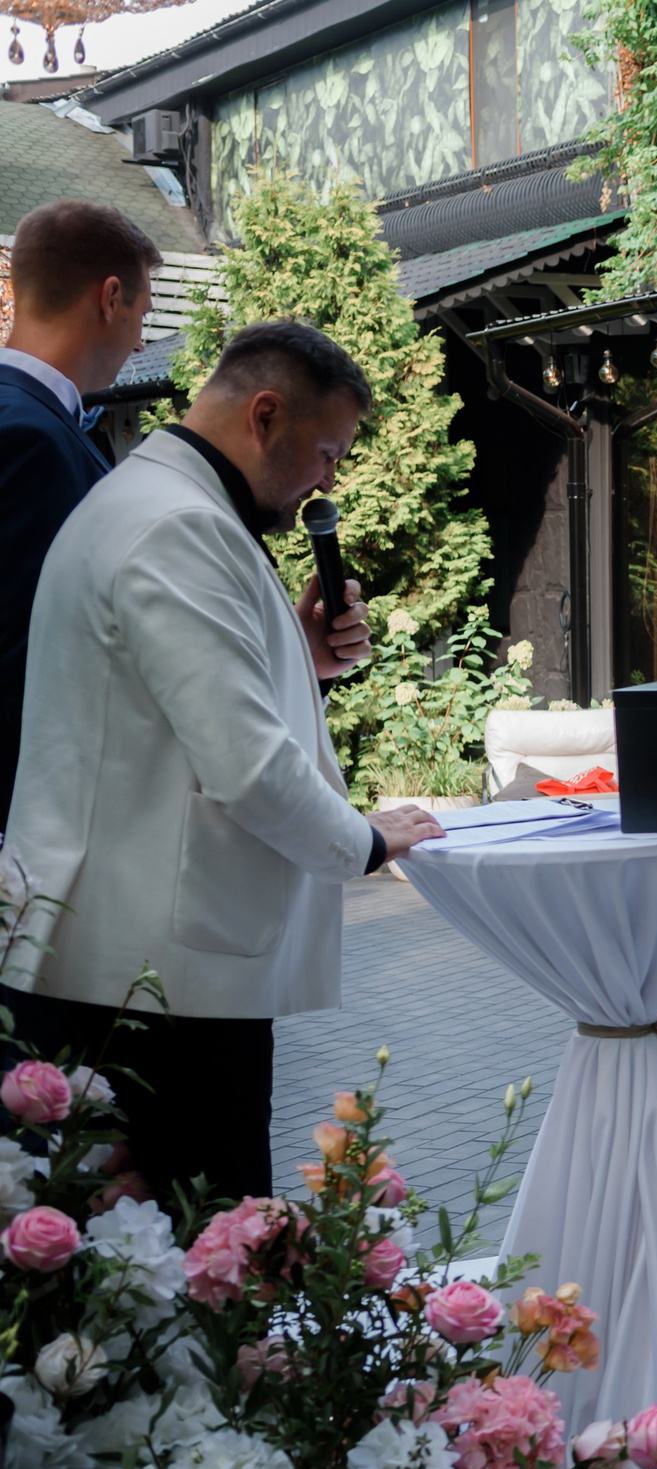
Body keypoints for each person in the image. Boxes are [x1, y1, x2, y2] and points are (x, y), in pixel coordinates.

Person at [1, 321, 441, 1204]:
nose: (327, 480)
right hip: (151, 984)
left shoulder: (164, 503)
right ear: (264, 414)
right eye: (325, 451)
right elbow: (245, 765)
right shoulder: (179, 525)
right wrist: (362, 840)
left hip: (143, 966)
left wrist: (306, 661)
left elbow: (159, 715)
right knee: (198, 1261)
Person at [0, 201, 160, 831]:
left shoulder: (33, 423)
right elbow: (32, 653)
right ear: (110, 297)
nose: (142, 339)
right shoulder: (30, 440)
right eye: (142, 314)